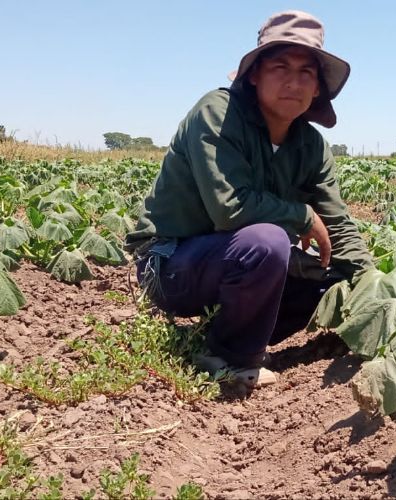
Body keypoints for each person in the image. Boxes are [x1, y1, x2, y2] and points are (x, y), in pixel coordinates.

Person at [125, 10, 373, 388]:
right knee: (268, 242)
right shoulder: (217, 113)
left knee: (334, 278)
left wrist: (373, 286)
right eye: (280, 67)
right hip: (171, 263)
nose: (294, 82)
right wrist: (301, 215)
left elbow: (337, 223)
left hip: (235, 262)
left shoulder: (310, 145)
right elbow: (230, 209)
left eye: (306, 72)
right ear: (254, 74)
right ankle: (229, 357)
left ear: (318, 88)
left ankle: (226, 335)